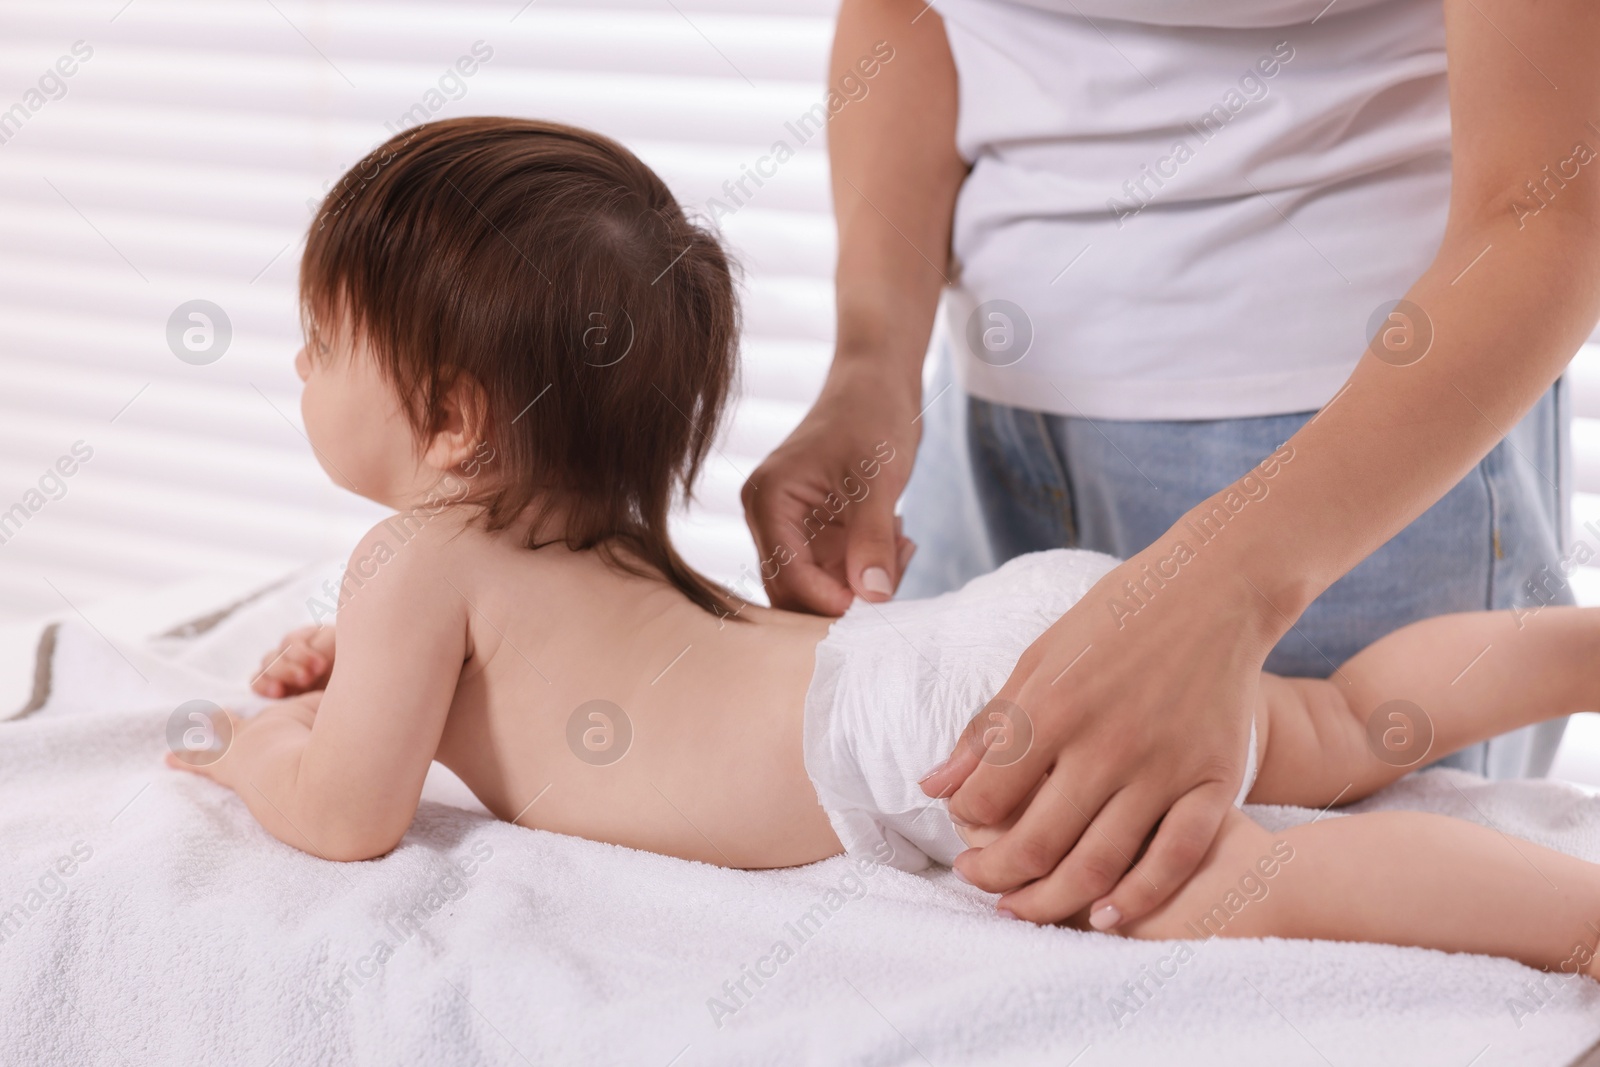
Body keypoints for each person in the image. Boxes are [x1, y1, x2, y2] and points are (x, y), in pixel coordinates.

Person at [171, 117, 1600, 976]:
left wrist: (256, 751)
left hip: (935, 744)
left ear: (455, 420)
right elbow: (523, 689)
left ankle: (1579, 920)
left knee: (1224, 885)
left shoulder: (414, 558)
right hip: (991, 644)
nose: (297, 368)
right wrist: (352, 671)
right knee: (1341, 723)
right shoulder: (586, 539)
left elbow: (351, 807)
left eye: (319, 343)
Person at [743, 0, 1600, 929]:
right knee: (1327, 758)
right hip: (987, 444)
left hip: (1339, 451)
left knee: (1252, 868)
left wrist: (1228, 586)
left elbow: (1549, 203)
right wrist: (872, 366)